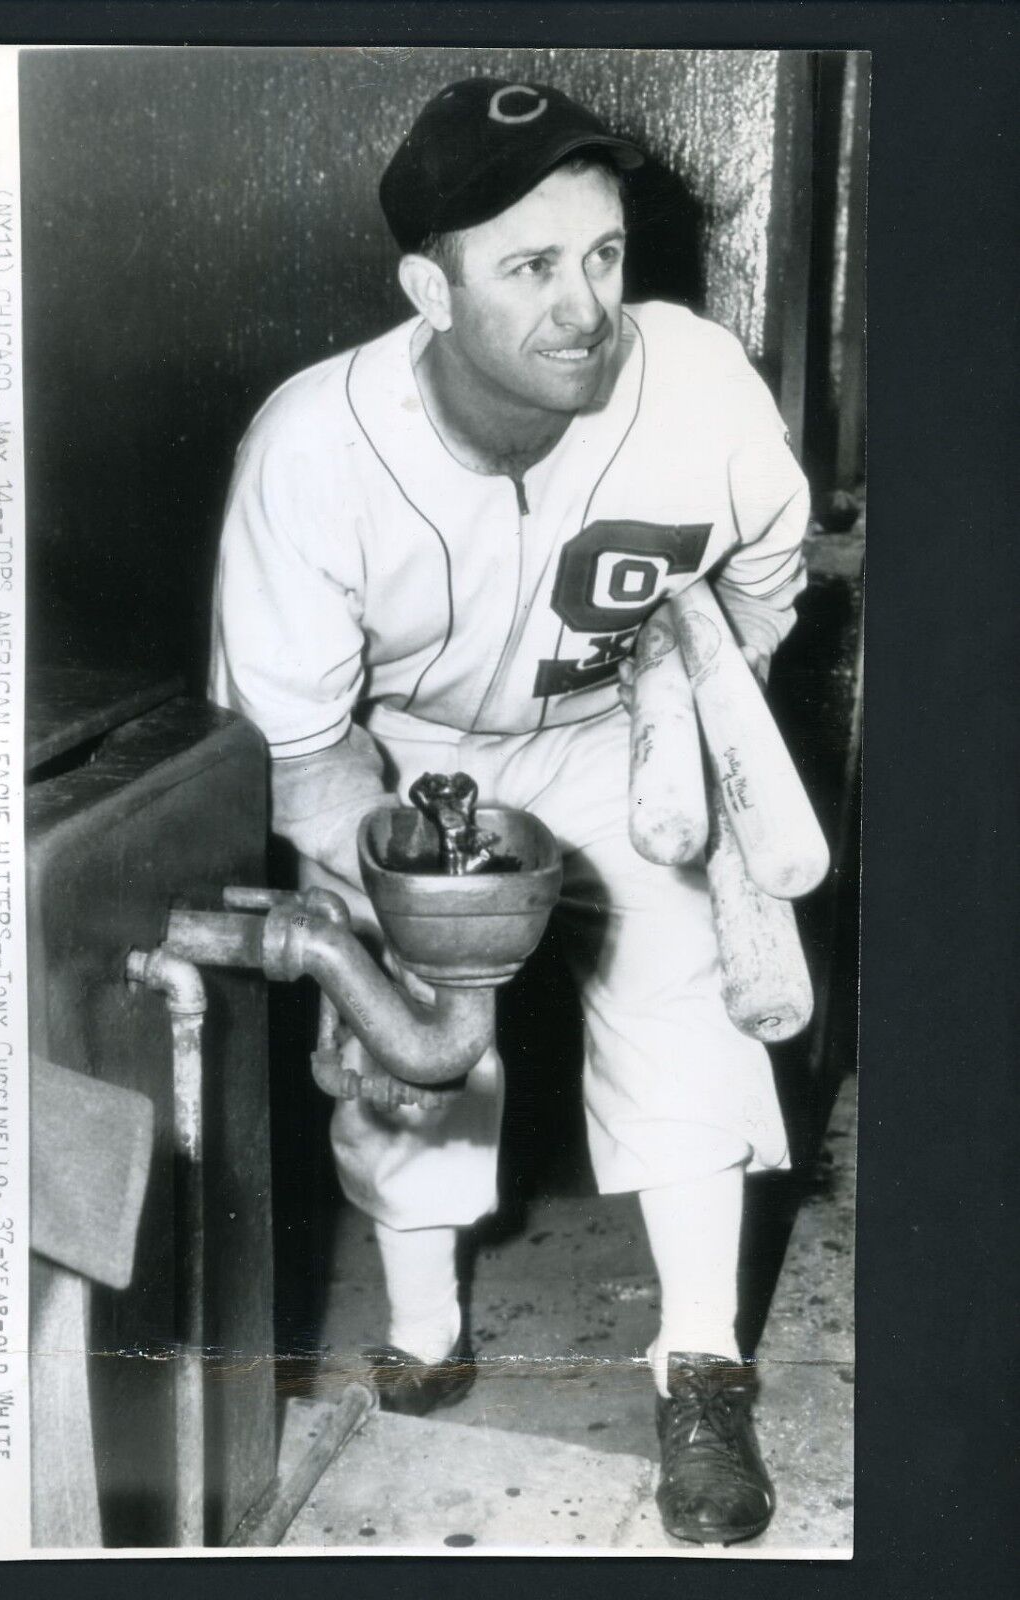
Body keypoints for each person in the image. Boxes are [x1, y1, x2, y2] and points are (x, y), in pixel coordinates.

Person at [210, 77, 809, 1546]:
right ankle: (421, 1321)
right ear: (430, 286)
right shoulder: (312, 447)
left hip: (612, 730)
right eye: (528, 266)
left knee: (686, 986)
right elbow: (291, 740)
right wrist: (401, 872)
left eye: (601, 255)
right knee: (413, 1005)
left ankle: (698, 1361)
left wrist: (692, 732)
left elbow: (759, 590)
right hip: (395, 754)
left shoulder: (698, 379)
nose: (581, 306)